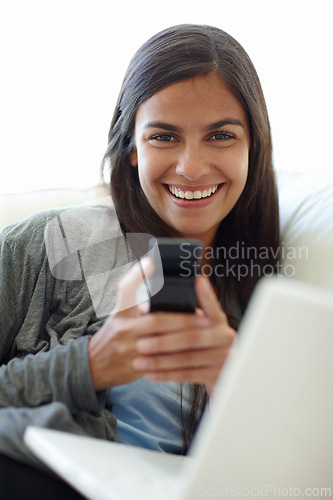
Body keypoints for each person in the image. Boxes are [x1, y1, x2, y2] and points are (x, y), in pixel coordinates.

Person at [0, 24, 279, 498]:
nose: (191, 167)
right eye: (164, 137)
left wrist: (230, 387)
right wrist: (90, 364)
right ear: (131, 147)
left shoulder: (267, 295)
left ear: (253, 145)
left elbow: (281, 477)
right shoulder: (54, 241)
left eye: (221, 136)